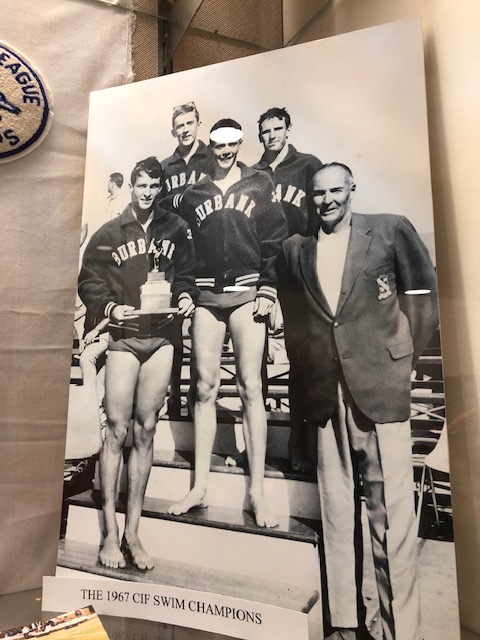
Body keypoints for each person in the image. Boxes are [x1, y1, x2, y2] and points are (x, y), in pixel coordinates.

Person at [277, 163, 438, 640]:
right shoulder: (296, 249)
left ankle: (397, 630)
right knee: (335, 511)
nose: (327, 200)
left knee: (391, 518)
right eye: (318, 193)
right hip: (326, 396)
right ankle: (346, 623)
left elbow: (423, 300)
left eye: (336, 190)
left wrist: (400, 363)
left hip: (380, 392)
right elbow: (297, 321)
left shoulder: (390, 230)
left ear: (352, 189)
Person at [168, 119, 288, 528]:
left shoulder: (259, 184)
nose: (225, 151)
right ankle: (199, 486)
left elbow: (275, 240)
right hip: (206, 295)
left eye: (232, 144)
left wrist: (268, 286)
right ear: (210, 147)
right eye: (218, 145)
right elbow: (180, 244)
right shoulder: (194, 193)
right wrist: (184, 288)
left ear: (239, 144)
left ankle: (257, 492)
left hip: (247, 292)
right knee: (204, 387)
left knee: (251, 386)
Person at [78, 156, 197, 570]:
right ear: (131, 186)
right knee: (117, 429)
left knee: (146, 430)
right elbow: (88, 279)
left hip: (161, 337)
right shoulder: (111, 231)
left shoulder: (175, 227)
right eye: (141, 185)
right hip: (126, 338)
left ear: (160, 188)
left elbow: (187, 272)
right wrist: (110, 307)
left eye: (153, 186)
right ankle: (110, 533)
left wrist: (185, 295)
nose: (147, 193)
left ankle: (133, 531)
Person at [254, 107, 323, 471]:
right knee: (254, 363)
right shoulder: (252, 173)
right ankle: (257, 446)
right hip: (262, 274)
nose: (272, 136)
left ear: (288, 129)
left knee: (301, 360)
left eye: (278, 128)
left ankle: (301, 444)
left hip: (297, 274)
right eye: (266, 131)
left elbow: (321, 219)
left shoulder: (308, 166)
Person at [160, 102, 216, 416]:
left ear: (198, 124)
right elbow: (158, 206)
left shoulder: (212, 157)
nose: (185, 130)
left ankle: (197, 399)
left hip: (207, 252)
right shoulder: (166, 166)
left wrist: (184, 200)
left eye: (189, 123)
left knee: (202, 331)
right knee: (174, 328)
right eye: (179, 125)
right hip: (178, 254)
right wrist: (182, 198)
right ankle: (173, 397)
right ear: (173, 130)